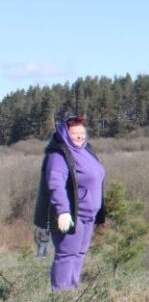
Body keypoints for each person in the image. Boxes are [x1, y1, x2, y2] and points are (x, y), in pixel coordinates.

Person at [33, 116, 105, 292]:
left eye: (82, 132)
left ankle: (72, 289)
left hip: (89, 214)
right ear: (65, 134)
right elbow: (55, 184)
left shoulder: (86, 150)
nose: (80, 136)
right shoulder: (58, 155)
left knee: (79, 253)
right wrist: (63, 211)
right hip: (72, 214)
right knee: (67, 254)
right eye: (74, 133)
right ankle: (61, 295)